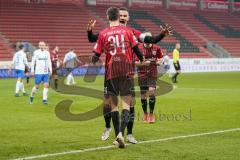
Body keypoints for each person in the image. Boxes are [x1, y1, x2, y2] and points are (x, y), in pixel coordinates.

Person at [87, 7, 173, 144]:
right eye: (120, 15)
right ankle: (110, 128)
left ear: (128, 18)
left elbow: (151, 39)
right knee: (109, 104)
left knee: (130, 105)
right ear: (117, 17)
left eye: (125, 15)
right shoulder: (108, 32)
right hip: (117, 72)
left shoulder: (132, 32)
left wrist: (162, 34)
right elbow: (93, 38)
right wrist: (90, 31)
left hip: (126, 73)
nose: (122, 17)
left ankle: (129, 134)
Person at [92, 7, 144, 148]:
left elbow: (95, 56)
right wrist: (142, 58)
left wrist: (95, 57)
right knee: (127, 105)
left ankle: (117, 135)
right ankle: (121, 133)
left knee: (113, 107)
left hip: (111, 73)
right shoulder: (128, 31)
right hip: (127, 72)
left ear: (108, 17)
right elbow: (136, 49)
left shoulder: (103, 33)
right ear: (118, 17)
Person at [136, 32, 163, 123]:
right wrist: (143, 63)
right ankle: (145, 114)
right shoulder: (138, 48)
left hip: (152, 73)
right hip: (142, 73)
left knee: (151, 91)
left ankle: (151, 115)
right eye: (146, 44)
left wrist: (159, 61)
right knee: (143, 96)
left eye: (149, 43)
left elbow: (160, 57)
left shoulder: (156, 48)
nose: (148, 45)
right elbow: (134, 62)